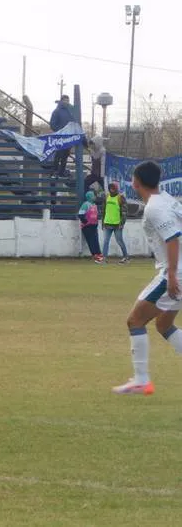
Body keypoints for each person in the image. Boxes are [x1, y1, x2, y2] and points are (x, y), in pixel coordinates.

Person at [111, 160, 182, 395]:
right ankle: (141, 379)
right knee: (164, 324)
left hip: (175, 273)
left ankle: (141, 380)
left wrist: (171, 274)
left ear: (136, 182)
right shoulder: (167, 200)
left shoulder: (154, 207)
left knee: (135, 321)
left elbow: (173, 238)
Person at [101, 181, 129, 263]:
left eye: (113, 188)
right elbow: (103, 211)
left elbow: (124, 211)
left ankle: (126, 257)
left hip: (117, 224)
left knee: (119, 241)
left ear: (116, 189)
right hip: (107, 223)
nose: (112, 190)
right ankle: (104, 258)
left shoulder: (121, 198)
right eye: (110, 188)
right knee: (106, 241)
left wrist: (122, 223)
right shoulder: (106, 197)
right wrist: (102, 222)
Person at [49, 95, 76, 178]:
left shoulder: (70, 112)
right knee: (58, 155)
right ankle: (54, 171)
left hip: (68, 137)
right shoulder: (56, 111)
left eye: (68, 100)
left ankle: (61, 172)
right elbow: (52, 124)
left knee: (65, 156)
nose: (66, 102)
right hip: (60, 137)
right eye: (65, 100)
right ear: (61, 101)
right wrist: (60, 131)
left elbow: (73, 122)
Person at [78, 190, 102, 263]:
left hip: (94, 225)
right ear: (90, 196)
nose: (95, 197)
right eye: (93, 195)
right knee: (91, 240)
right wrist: (86, 222)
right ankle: (95, 255)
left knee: (95, 240)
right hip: (87, 226)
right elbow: (80, 214)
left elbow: (97, 215)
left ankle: (99, 254)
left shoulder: (94, 205)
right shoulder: (85, 204)